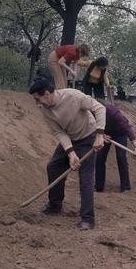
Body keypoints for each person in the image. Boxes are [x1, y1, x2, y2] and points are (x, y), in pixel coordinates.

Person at [28, 79, 105, 230]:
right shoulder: (45, 110)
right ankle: (55, 205)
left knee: (86, 179)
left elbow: (100, 108)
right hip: (70, 139)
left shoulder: (73, 96)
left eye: (38, 98)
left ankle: (88, 219)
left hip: (88, 138)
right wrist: (71, 153)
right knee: (53, 167)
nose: (38, 103)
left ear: (48, 94)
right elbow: (59, 132)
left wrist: (99, 134)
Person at [95, 102, 136, 193]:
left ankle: (125, 186)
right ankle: (99, 186)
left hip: (120, 133)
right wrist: (102, 135)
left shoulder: (112, 111)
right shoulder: (93, 112)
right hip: (105, 134)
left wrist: (135, 145)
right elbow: (91, 126)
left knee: (121, 157)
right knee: (99, 158)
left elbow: (126, 127)